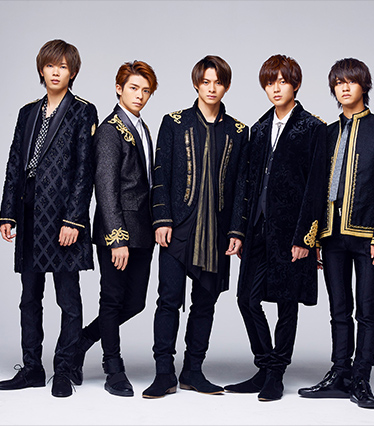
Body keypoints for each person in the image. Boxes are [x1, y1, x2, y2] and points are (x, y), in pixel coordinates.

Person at [0, 39, 98, 398]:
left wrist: (73, 220)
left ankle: (65, 369)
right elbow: (14, 164)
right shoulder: (27, 112)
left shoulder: (83, 111)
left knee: (68, 299)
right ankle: (32, 369)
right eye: (51, 65)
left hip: (63, 219)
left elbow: (85, 170)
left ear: (73, 72)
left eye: (63, 67)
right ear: (42, 69)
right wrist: (8, 212)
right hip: (29, 215)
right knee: (29, 298)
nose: (56, 72)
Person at [142, 55, 249, 399]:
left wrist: (236, 231)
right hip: (177, 229)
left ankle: (193, 371)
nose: (212, 88)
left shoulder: (238, 131)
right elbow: (160, 174)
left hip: (216, 233)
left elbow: (241, 186)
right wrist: (161, 219)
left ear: (226, 86)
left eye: (218, 82)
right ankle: (163, 373)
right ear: (196, 84)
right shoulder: (174, 122)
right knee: (168, 300)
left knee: (205, 304)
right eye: (206, 82)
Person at [297, 57, 374, 409]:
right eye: (338, 82)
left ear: (363, 86)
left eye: (350, 81)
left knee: (366, 309)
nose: (344, 88)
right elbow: (315, 189)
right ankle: (339, 372)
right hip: (331, 235)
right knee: (338, 308)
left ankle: (361, 378)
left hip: (367, 235)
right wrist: (314, 239)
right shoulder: (326, 133)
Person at [224, 54, 326, 402]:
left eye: (283, 81)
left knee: (286, 302)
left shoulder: (312, 128)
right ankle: (265, 365)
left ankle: (276, 373)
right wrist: (238, 231)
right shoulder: (259, 128)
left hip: (292, 232)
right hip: (257, 229)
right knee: (246, 299)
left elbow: (316, 188)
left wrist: (305, 238)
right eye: (270, 82)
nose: (276, 88)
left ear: (295, 84)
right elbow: (245, 183)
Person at [71, 60, 158, 397]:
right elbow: (105, 189)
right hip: (117, 232)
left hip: (144, 231)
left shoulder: (142, 127)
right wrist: (116, 238)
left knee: (134, 303)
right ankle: (113, 368)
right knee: (111, 300)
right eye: (134, 88)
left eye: (146, 91)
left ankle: (82, 341)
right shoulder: (110, 130)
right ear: (119, 89)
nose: (140, 96)